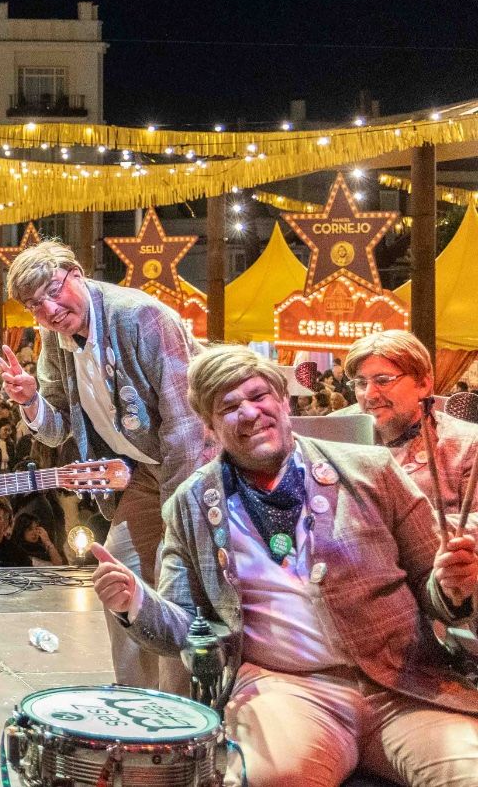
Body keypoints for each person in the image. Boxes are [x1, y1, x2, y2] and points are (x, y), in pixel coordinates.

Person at [92, 344, 478, 787]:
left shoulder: (370, 470)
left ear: (283, 401)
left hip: (400, 681)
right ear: (210, 426)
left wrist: (453, 588)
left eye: (259, 397)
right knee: (275, 778)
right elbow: (188, 630)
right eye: (230, 406)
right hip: (287, 689)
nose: (251, 413)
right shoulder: (192, 505)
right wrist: (136, 602)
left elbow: (437, 590)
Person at [0, 238, 207, 693]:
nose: (48, 310)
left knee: (177, 582)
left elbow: (187, 426)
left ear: (76, 273)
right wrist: (29, 402)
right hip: (145, 474)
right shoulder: (55, 338)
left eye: (53, 291)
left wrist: (179, 514)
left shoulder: (141, 317)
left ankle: (180, 711)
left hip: (193, 469)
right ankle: (135, 701)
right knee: (119, 575)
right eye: (34, 304)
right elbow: (56, 429)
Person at [342, 330, 478, 521]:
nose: (370, 395)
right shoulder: (337, 433)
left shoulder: (467, 445)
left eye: (383, 381)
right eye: (361, 383)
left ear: (423, 384)